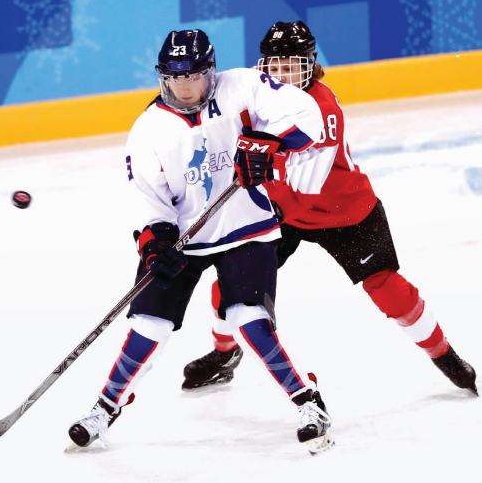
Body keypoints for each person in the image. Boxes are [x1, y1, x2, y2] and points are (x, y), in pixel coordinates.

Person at [68, 29, 335, 454]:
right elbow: (148, 198)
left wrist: (268, 143)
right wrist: (155, 244)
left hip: (246, 226)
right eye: (174, 78)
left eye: (192, 76)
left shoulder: (242, 86)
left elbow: (304, 112)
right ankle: (106, 407)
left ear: (210, 72)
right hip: (184, 239)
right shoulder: (149, 128)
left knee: (250, 320)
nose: (184, 86)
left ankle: (308, 402)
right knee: (147, 327)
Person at [181, 21, 477, 396]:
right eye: (275, 66)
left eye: (291, 66)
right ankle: (224, 354)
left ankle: (443, 354)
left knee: (387, 288)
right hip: (280, 208)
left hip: (344, 210)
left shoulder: (321, 109)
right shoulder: (254, 95)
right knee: (229, 286)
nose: (283, 75)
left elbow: (307, 188)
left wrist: (258, 208)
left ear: (310, 65)